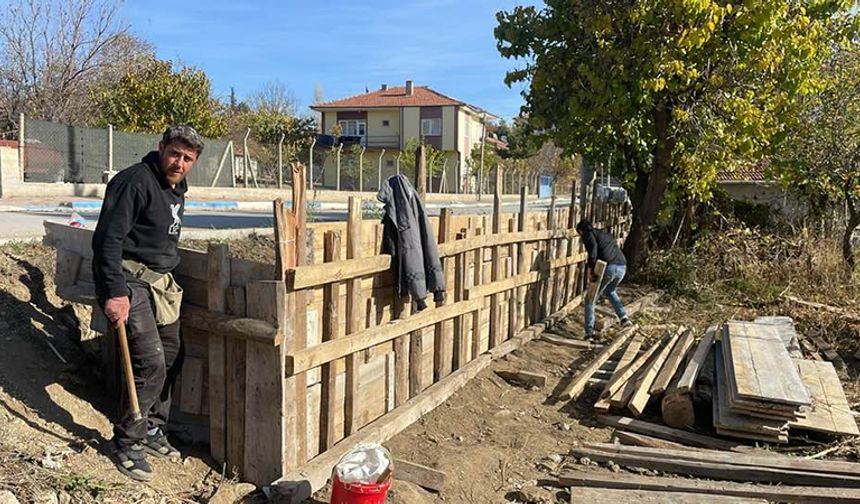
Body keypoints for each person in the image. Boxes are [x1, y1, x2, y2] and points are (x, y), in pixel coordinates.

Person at [92, 125, 203, 481]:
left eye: (187, 158)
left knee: (172, 355)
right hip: (129, 281)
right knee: (150, 361)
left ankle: (153, 427)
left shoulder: (176, 189)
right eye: (174, 153)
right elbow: (108, 239)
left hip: (158, 283)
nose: (179, 162)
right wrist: (114, 292)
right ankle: (127, 440)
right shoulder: (134, 182)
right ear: (160, 149)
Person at [576, 219, 631, 339]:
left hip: (609, 268)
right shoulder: (605, 234)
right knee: (610, 291)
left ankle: (589, 333)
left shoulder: (588, 233)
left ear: (581, 231)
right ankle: (624, 318)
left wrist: (590, 270)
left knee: (590, 299)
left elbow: (593, 251)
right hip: (622, 267)